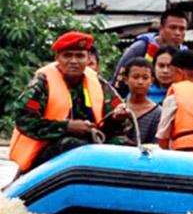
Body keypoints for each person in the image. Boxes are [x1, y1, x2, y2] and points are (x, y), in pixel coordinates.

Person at [9, 31, 130, 175]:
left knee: (124, 145)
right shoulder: (42, 83)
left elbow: (118, 124)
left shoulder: (97, 83)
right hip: (46, 149)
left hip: (89, 146)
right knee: (73, 145)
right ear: (57, 57)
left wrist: (118, 118)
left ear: (88, 58)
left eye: (79, 56)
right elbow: (23, 121)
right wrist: (67, 127)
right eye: (67, 55)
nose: (73, 61)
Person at [111, 9, 189, 98]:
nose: (178, 33)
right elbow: (119, 79)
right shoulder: (141, 47)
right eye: (173, 28)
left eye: (182, 29)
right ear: (161, 29)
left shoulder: (185, 54)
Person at [123, 57, 161, 145]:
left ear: (151, 81)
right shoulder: (119, 107)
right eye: (135, 77)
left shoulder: (157, 113)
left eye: (145, 78)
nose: (140, 82)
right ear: (126, 80)